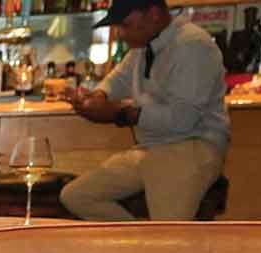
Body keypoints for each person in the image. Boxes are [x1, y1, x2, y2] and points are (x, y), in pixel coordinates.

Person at [60, 0, 230, 220]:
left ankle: (154, 247)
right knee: (77, 196)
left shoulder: (193, 45)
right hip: (152, 148)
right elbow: (116, 81)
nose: (120, 33)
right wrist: (95, 97)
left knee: (166, 234)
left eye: (126, 25)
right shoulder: (143, 47)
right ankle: (140, 245)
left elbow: (182, 119)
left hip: (193, 146)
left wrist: (120, 113)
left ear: (153, 14)